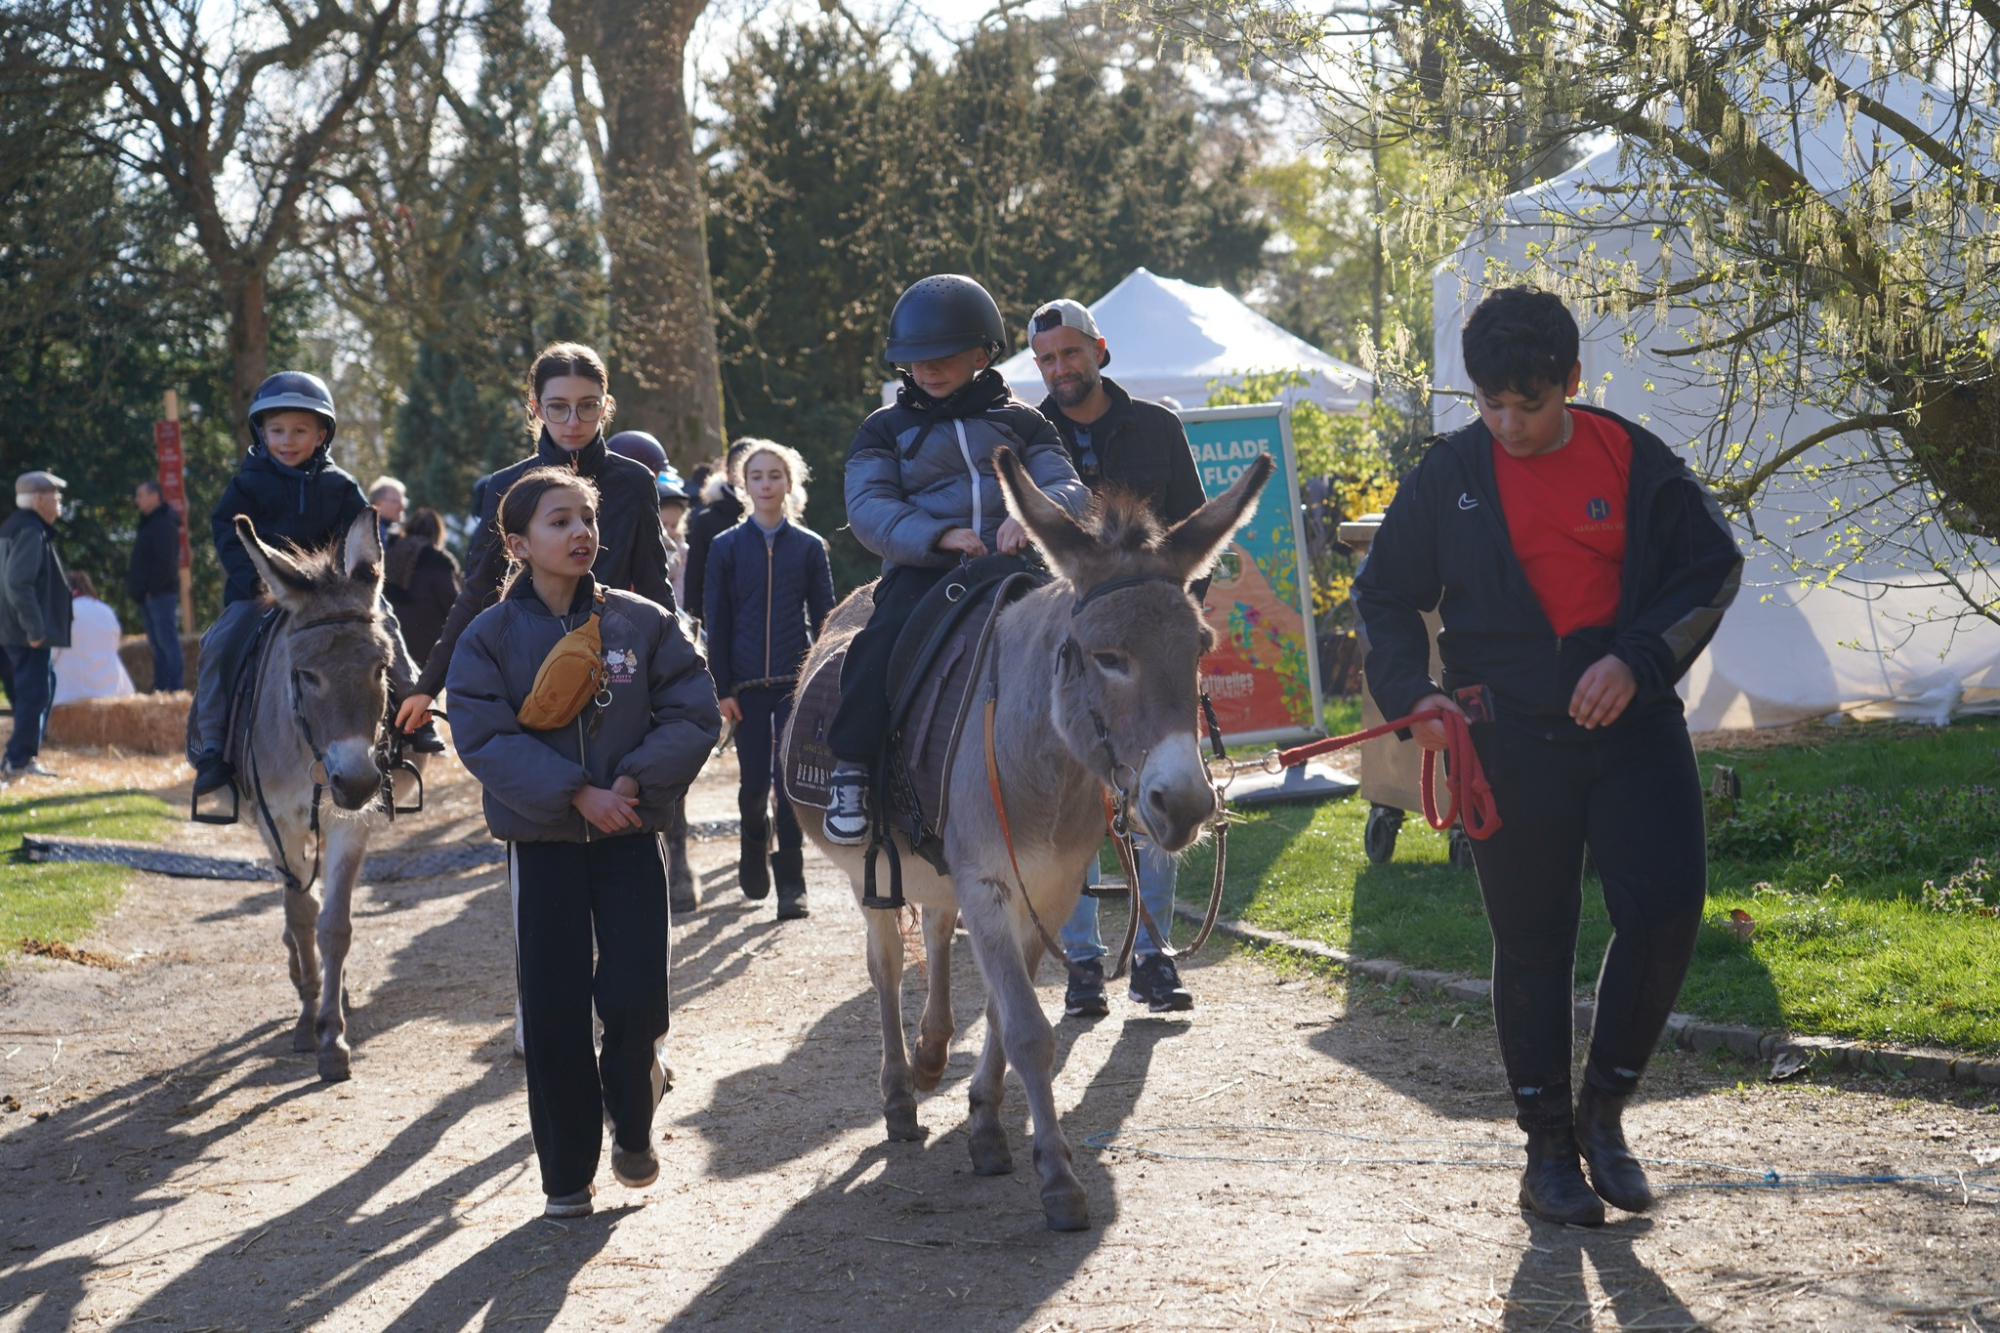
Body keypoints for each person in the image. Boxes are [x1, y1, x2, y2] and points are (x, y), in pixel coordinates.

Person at [1352, 286, 1742, 1227]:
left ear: (1571, 378)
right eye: (1490, 404)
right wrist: (1414, 695)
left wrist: (1637, 659)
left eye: (1528, 404)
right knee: (1534, 941)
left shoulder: (1632, 457)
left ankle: (1604, 1111)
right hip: (1505, 738)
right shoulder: (1447, 473)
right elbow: (1385, 595)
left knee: (1667, 909)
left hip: (1631, 724)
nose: (1509, 425)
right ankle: (1547, 1152)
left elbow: (1711, 567)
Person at [447, 467, 720, 1220]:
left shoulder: (642, 622)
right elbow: (482, 734)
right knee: (554, 1009)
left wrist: (631, 783)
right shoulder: (488, 637)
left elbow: (694, 713)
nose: (580, 533)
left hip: (629, 834)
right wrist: (575, 792)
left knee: (637, 996)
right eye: (559, 521)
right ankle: (566, 1176)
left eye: (587, 519)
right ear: (517, 543)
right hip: (542, 845)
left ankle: (632, 1121)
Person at [824, 273, 1088, 844]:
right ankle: (851, 770)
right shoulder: (883, 429)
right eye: (916, 359)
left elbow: (1067, 486)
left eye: (942, 357)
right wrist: (938, 535)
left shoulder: (1026, 422)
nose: (926, 369)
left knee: (1092, 638)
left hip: (1016, 567)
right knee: (877, 643)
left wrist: (1033, 515)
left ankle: (1115, 769)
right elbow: (868, 506)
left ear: (979, 356)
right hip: (926, 572)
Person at [1027, 297, 1207, 1017]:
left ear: (1099, 350)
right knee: (1073, 805)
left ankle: (1154, 957)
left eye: (1070, 353)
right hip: (1072, 656)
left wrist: (1180, 626)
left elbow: (1194, 527)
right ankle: (1082, 962)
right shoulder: (1029, 434)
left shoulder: (1158, 427)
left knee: (1157, 792)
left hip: (1152, 654)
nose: (1060, 368)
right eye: (1046, 359)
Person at [393, 344, 675, 744]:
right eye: (558, 407)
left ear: (606, 406)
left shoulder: (635, 481)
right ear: (536, 407)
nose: (573, 421)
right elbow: (478, 591)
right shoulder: (507, 484)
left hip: (616, 663)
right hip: (530, 666)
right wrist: (427, 685)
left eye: (587, 406)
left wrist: (680, 671)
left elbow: (653, 587)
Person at [190, 372, 441, 802]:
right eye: (277, 431)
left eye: (300, 431)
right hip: (261, 593)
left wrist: (346, 586)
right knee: (219, 641)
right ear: (261, 433)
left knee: (387, 625)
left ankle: (414, 715)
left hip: (334, 596)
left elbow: (358, 531)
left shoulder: (339, 485)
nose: (287, 441)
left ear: (322, 434)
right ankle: (213, 745)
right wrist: (258, 581)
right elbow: (228, 535)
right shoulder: (245, 484)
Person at [703, 440, 835, 920]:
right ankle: (753, 842)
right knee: (755, 782)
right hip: (744, 686)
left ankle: (792, 883)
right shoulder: (725, 547)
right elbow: (716, 621)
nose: (766, 484)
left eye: (774, 475)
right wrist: (722, 687)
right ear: (743, 485)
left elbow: (826, 618)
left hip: (793, 682)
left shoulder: (810, 546)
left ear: (789, 483)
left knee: (788, 783)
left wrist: (822, 684)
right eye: (756, 476)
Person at [0, 471, 73, 779]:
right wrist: (35, 629)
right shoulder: (31, 530)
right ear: (40, 499)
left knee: (32, 693)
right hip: (23, 633)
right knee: (35, 694)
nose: (59, 501)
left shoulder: (14, 526)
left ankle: (18, 759)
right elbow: (17, 583)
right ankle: (19, 761)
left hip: (10, 630)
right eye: (55, 495)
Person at [680, 441, 751, 628]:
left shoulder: (789, 525)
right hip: (718, 624)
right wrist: (693, 626)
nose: (744, 474)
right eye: (738, 467)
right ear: (727, 473)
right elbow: (694, 580)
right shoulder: (707, 521)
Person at [382, 507, 461, 670]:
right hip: (426, 641)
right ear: (438, 532)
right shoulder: (437, 561)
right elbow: (453, 602)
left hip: (391, 634)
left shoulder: (390, 551)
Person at [128, 480, 185, 692]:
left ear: (154, 497)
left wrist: (151, 589)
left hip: (160, 594)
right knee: (157, 644)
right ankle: (161, 688)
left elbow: (165, 562)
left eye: (140, 495)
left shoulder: (163, 524)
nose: (137, 500)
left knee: (166, 642)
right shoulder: (151, 522)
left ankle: (174, 688)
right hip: (151, 594)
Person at [54, 572, 135, 704]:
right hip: (112, 689)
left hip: (70, 693)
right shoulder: (106, 610)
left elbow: (52, 654)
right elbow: (114, 646)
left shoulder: (64, 613)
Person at [367, 476, 408, 549]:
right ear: (378, 504)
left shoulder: (382, 529)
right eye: (396, 502)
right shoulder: (376, 532)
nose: (402, 507)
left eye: (402, 502)